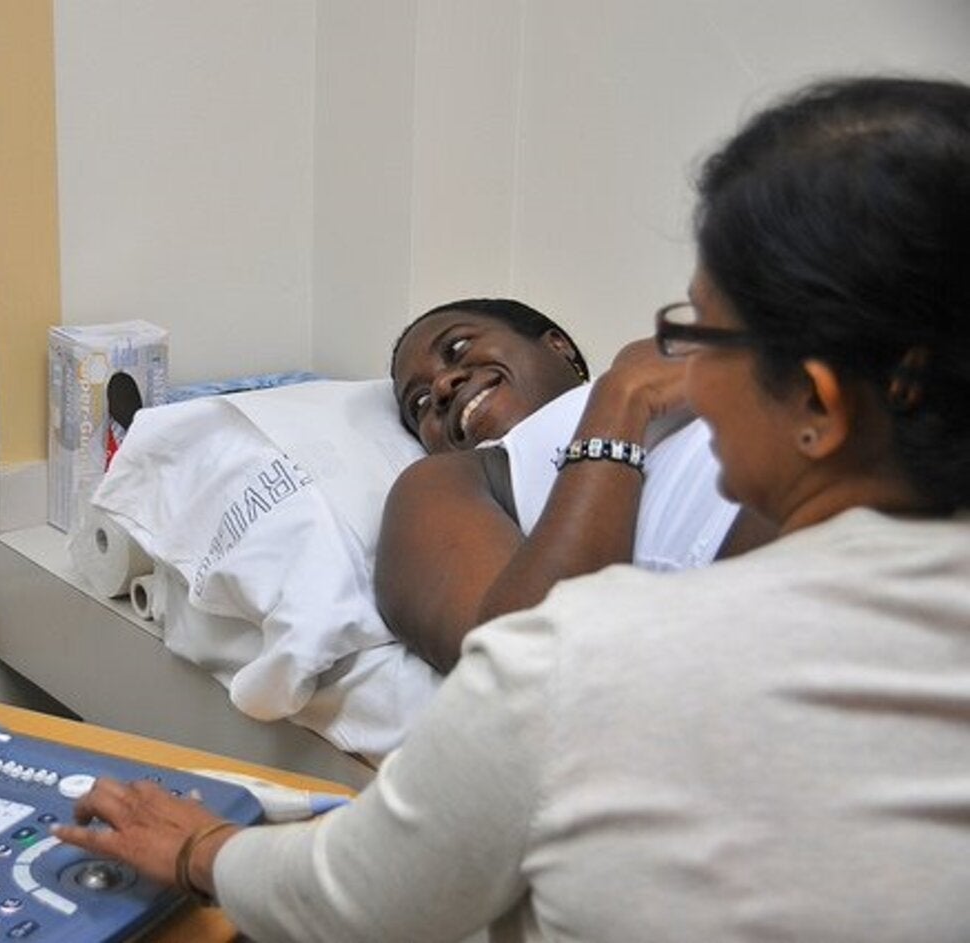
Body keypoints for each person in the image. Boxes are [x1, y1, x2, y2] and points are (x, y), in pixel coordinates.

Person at [53, 76, 970, 941]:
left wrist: (195, 847)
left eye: (700, 334)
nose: (443, 389)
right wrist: (614, 413)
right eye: (416, 404)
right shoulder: (454, 485)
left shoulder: (590, 658)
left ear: (820, 403)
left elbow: (366, 899)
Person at [377, 299, 773, 671]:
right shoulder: (449, 478)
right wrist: (621, 400)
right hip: (769, 580)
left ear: (558, 346)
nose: (443, 386)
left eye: (458, 346)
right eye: (420, 404)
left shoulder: (665, 361)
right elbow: (518, 662)